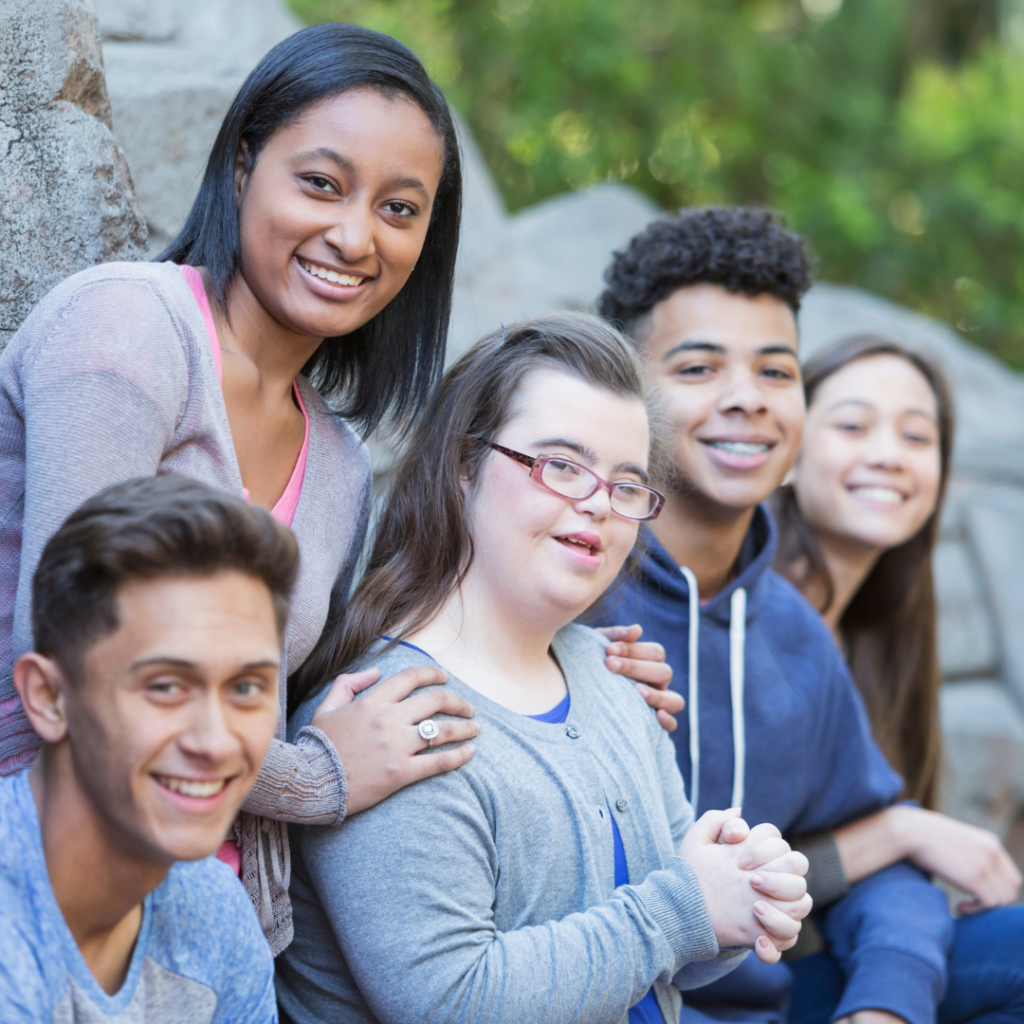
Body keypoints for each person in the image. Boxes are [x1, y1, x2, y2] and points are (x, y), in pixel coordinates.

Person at [0, 23, 673, 949]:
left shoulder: (340, 461)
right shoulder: (126, 335)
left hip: (219, 920)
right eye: (321, 183)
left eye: (400, 210)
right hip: (48, 877)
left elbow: (316, 687)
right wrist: (317, 779)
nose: (355, 236)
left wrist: (578, 670)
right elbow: (74, 661)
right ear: (242, 166)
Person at [278, 313, 812, 1024]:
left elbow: (670, 948)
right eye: (561, 465)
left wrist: (739, 895)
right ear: (463, 466)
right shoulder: (392, 718)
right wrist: (687, 905)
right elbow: (450, 1001)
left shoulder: (611, 676)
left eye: (627, 484)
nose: (597, 503)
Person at [591, 207, 958, 1024]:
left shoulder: (793, 633)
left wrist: (886, 1007)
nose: (747, 400)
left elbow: (882, 864)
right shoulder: (568, 591)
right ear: (625, 388)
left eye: (775, 371)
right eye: (698, 369)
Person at [771, 335, 1024, 1024]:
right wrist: (897, 831)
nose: (888, 453)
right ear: (787, 448)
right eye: (853, 425)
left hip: (813, 975)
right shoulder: (736, 618)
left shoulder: (880, 638)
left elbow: (884, 885)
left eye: (918, 435)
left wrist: (889, 1000)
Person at [0, 475, 294, 1022]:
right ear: (48, 697)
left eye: (247, 688)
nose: (214, 741)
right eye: (165, 686)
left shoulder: (217, 913)